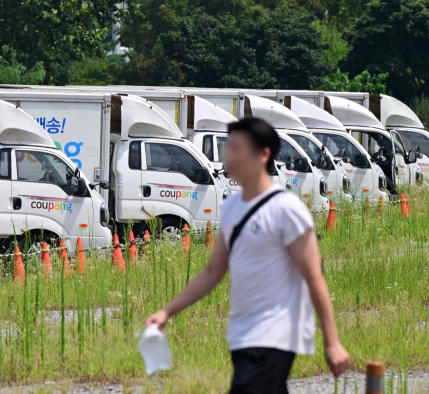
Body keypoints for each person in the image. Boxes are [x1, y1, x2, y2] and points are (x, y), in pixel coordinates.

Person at [145, 118, 350, 393]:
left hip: (275, 335)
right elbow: (212, 272)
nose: (228, 156)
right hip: (242, 336)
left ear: (263, 154)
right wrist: (167, 311)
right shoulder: (231, 209)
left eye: (236, 148)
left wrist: (332, 341)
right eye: (228, 147)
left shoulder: (287, 209)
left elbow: (314, 276)